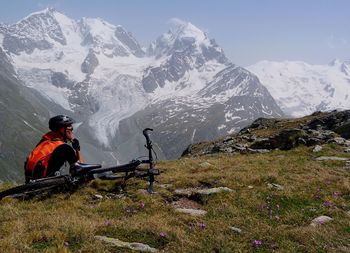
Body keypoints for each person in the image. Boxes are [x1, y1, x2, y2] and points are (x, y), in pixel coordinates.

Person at [24, 115, 83, 183]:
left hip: (30, 182)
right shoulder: (65, 148)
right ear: (62, 129)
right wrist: (77, 150)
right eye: (69, 127)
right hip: (46, 185)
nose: (71, 130)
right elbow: (81, 169)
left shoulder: (44, 141)